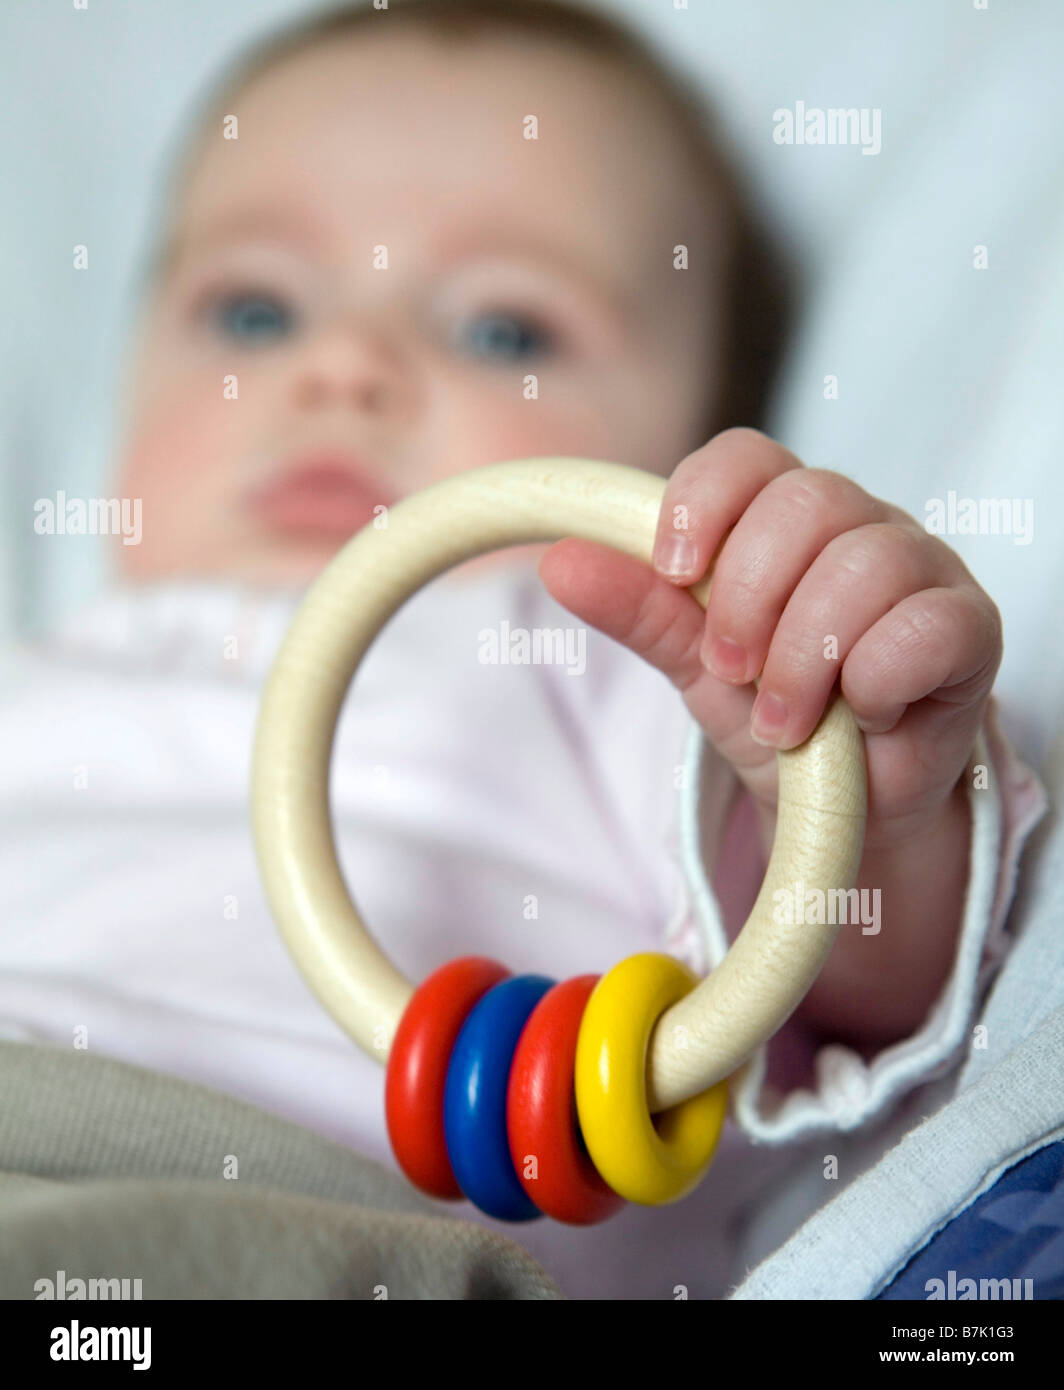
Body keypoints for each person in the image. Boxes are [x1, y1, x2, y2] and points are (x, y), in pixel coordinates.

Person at [0, 0, 1046, 1298]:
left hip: (304, 1217)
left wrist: (855, 768)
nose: (345, 365)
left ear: (681, 454)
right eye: (255, 312)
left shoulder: (617, 657)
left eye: (504, 330)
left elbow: (850, 962)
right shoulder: (38, 672)